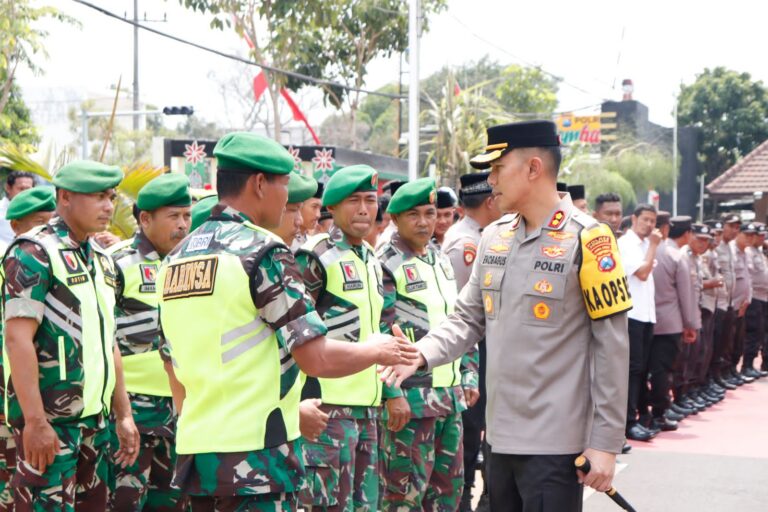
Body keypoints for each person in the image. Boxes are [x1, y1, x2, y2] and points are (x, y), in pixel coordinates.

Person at [157, 133, 417, 511]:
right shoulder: (262, 252)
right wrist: (376, 350)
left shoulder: (177, 258)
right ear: (260, 184)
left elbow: (171, 363)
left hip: (199, 453)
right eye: (285, 186)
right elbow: (316, 358)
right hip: (257, 457)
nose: (288, 201)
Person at [381, 120, 631, 511]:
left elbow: (612, 350)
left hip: (555, 446)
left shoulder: (590, 240)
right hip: (498, 441)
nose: (490, 180)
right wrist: (422, 352)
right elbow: (467, 317)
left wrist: (605, 444)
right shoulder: (494, 237)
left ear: (533, 168)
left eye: (498, 169)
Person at [2, 160, 139, 510]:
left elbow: (109, 343)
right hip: (51, 427)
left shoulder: (102, 260)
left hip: (95, 425)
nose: (109, 206)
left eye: (110, 197)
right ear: (64, 198)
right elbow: (17, 340)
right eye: (97, 197)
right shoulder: (34, 253)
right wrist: (34, 421)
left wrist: (123, 415)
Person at [376, 178, 478, 511]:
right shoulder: (386, 262)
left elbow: (459, 319)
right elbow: (379, 332)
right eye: (413, 215)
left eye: (430, 213)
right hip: (412, 401)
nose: (424, 222)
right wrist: (393, 395)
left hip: (449, 398)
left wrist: (469, 372)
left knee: (448, 493)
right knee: (404, 496)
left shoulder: (439, 259)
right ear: (394, 219)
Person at [294, 164, 392, 511]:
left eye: (370, 200)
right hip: (326, 409)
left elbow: (377, 330)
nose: (365, 209)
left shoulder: (370, 259)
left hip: (366, 409)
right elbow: (289, 335)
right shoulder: (314, 256)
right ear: (331, 208)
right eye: (354, 201)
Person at [107, 173, 193, 510]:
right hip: (133, 411)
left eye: (187, 216)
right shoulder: (116, 263)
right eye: (174, 217)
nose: (183, 225)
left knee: (173, 502)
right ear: (145, 219)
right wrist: (120, 412)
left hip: (180, 409)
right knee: (125, 502)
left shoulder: (191, 264)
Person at [440, 171, 500, 511]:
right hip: (469, 349)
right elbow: (463, 309)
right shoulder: (467, 244)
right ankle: (464, 499)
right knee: (471, 426)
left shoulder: (476, 237)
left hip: (476, 348)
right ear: (490, 201)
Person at [0, 186, 57, 510]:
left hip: (28, 398)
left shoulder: (49, 267)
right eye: (37, 225)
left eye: (48, 224)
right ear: (15, 227)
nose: (43, 234)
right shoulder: (10, 265)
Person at [645, 216, 697, 432]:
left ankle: (647, 411)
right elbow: (686, 295)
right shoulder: (675, 256)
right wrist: (691, 324)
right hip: (670, 322)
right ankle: (660, 412)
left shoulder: (645, 252)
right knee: (662, 370)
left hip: (645, 319)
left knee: (644, 370)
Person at [617, 204, 661, 442]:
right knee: (632, 371)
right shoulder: (627, 244)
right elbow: (642, 274)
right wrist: (654, 245)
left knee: (642, 370)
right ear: (633, 219)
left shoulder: (644, 244)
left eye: (653, 221)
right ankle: (627, 422)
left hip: (646, 315)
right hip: (631, 315)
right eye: (645, 220)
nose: (650, 225)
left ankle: (638, 417)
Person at [730, 223, 755, 381]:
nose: (750, 239)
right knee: (727, 343)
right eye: (747, 235)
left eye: (752, 236)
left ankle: (733, 370)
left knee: (737, 341)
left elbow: (748, 279)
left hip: (743, 304)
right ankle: (725, 372)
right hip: (731, 305)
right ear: (738, 234)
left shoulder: (745, 253)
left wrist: (748, 299)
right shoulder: (731, 251)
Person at [0, 171, 35, 247]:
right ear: (8, 188)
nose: (25, 193)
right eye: (21, 189)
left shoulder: (36, 212)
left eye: (28, 189)